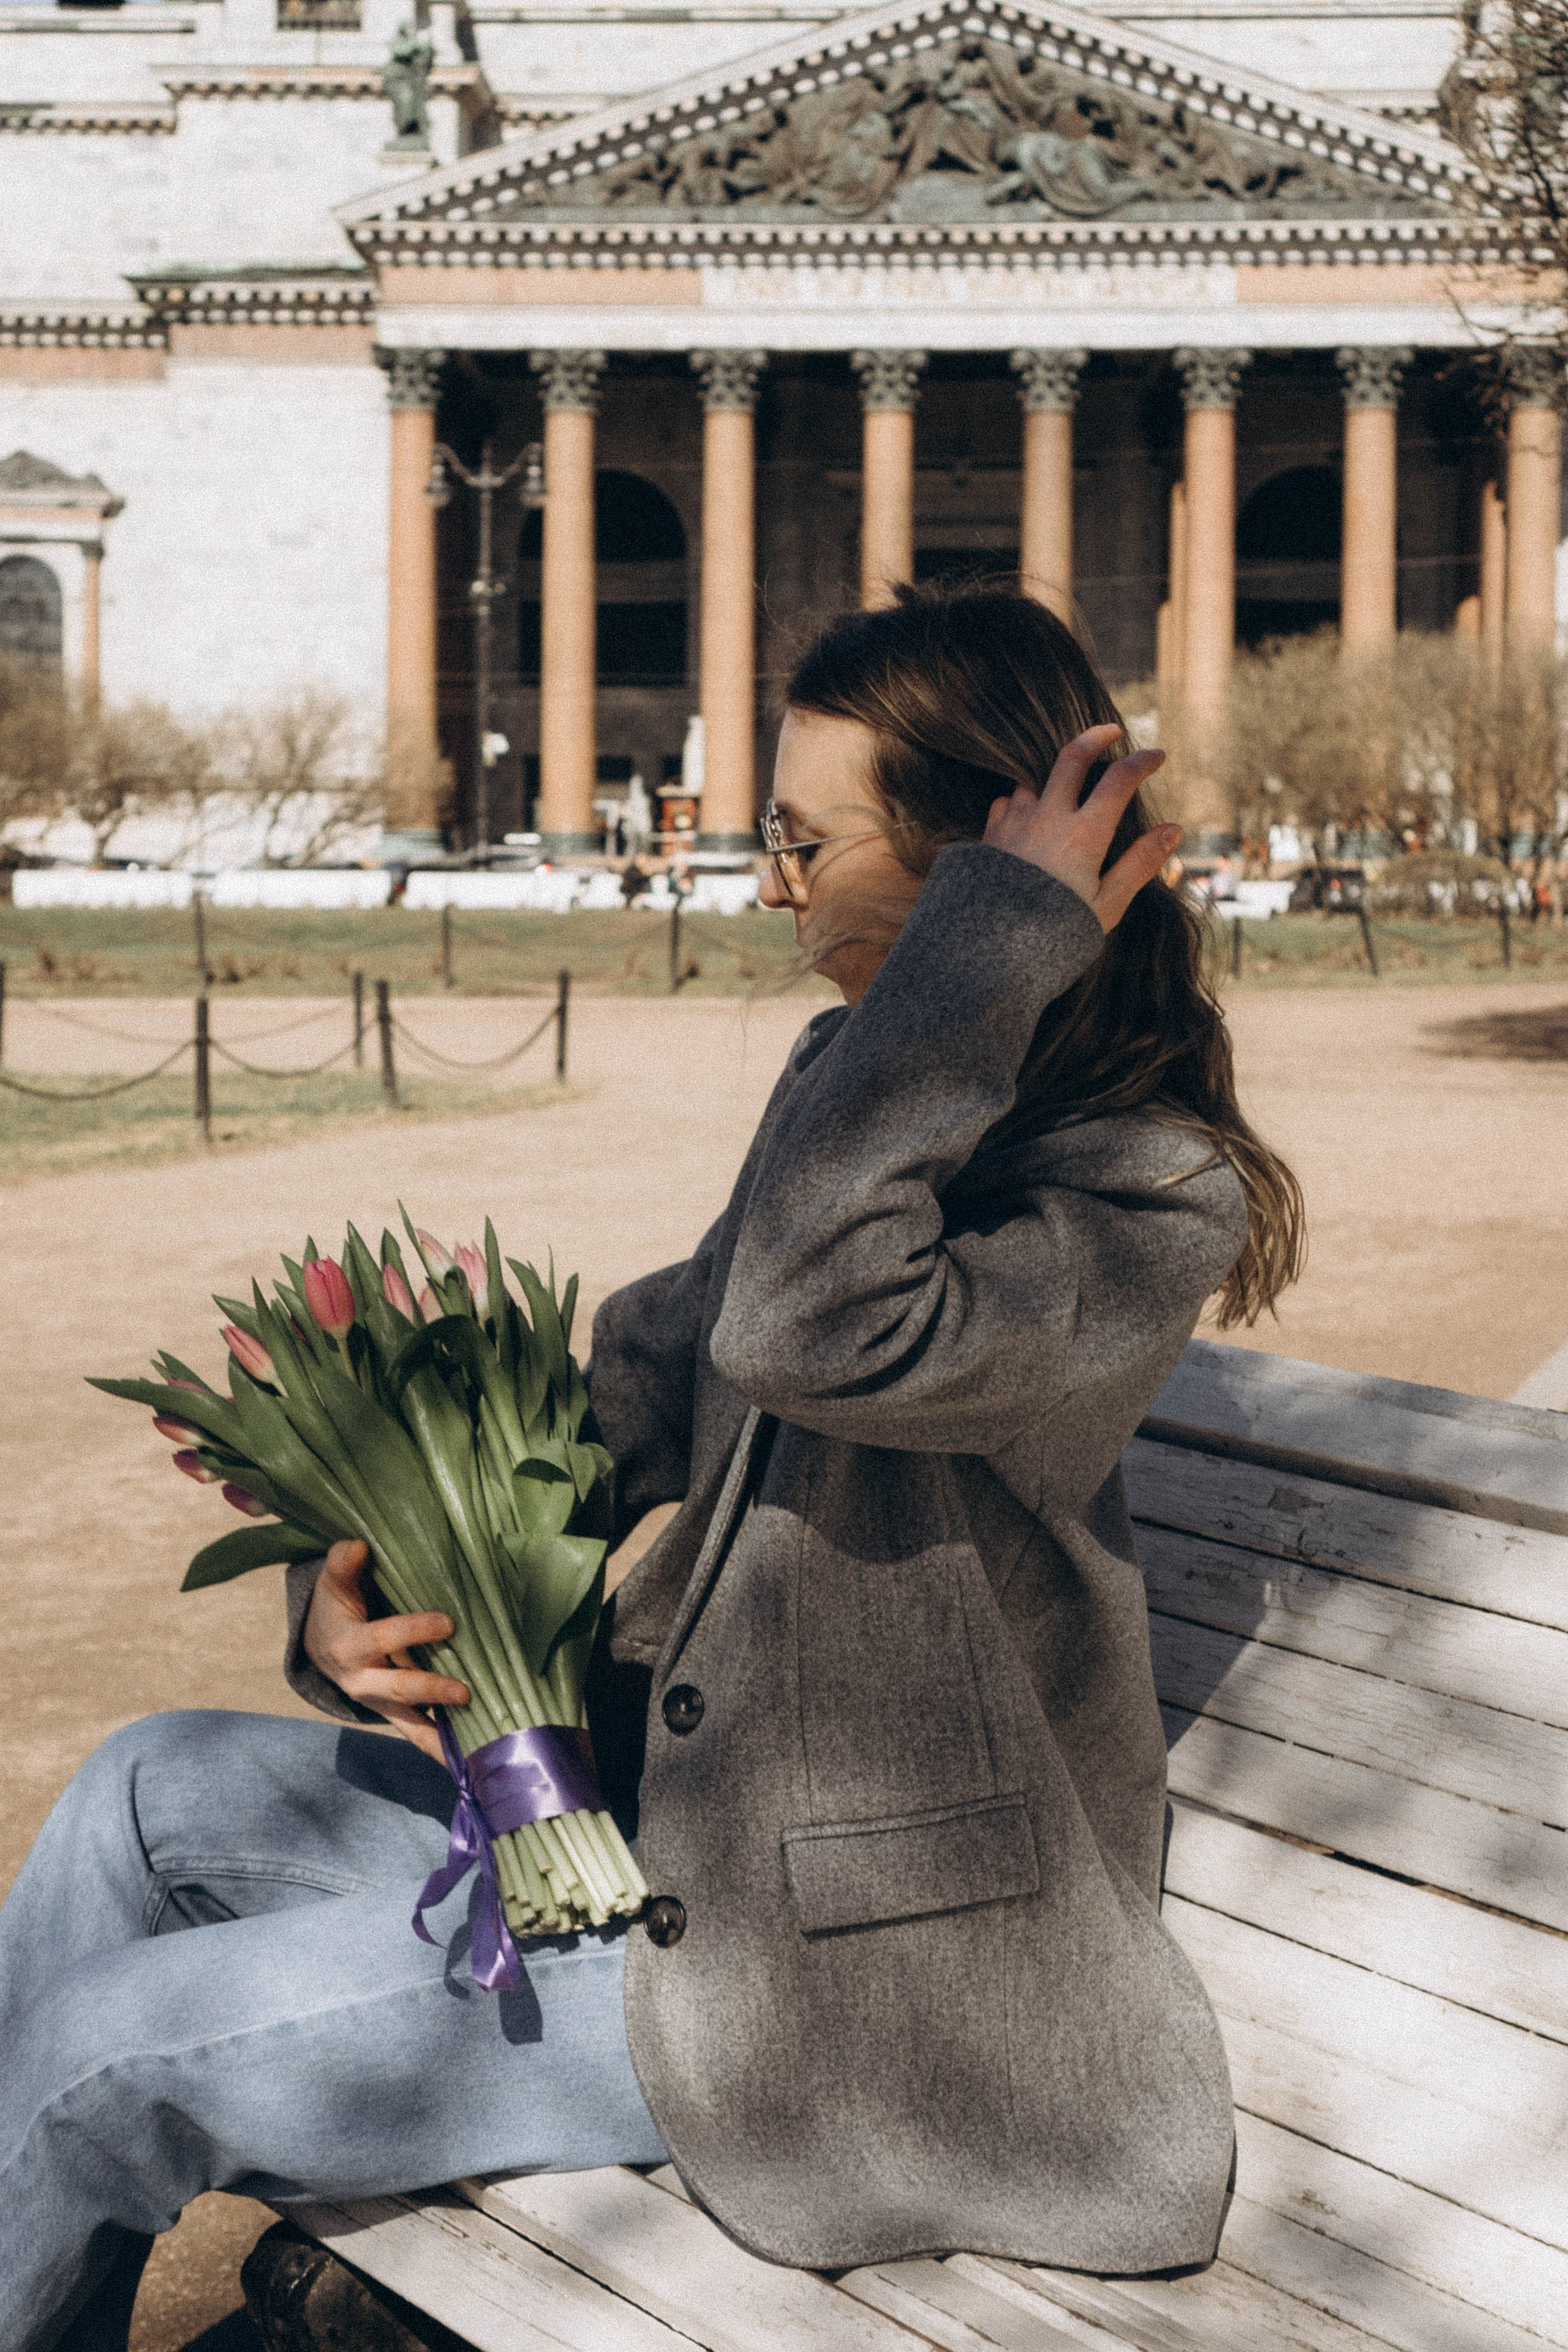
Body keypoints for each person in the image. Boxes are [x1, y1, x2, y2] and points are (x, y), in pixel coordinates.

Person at [1, 587, 1303, 2349]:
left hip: (837, 1995)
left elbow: (807, 1323)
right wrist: (378, 1572)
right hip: (664, 1852)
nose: (770, 886)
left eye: (802, 840)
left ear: (974, 870)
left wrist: (984, 951)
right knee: (147, 1787)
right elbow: (657, 1365)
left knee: (107, 2063)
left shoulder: (1141, 1191)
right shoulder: (866, 1082)